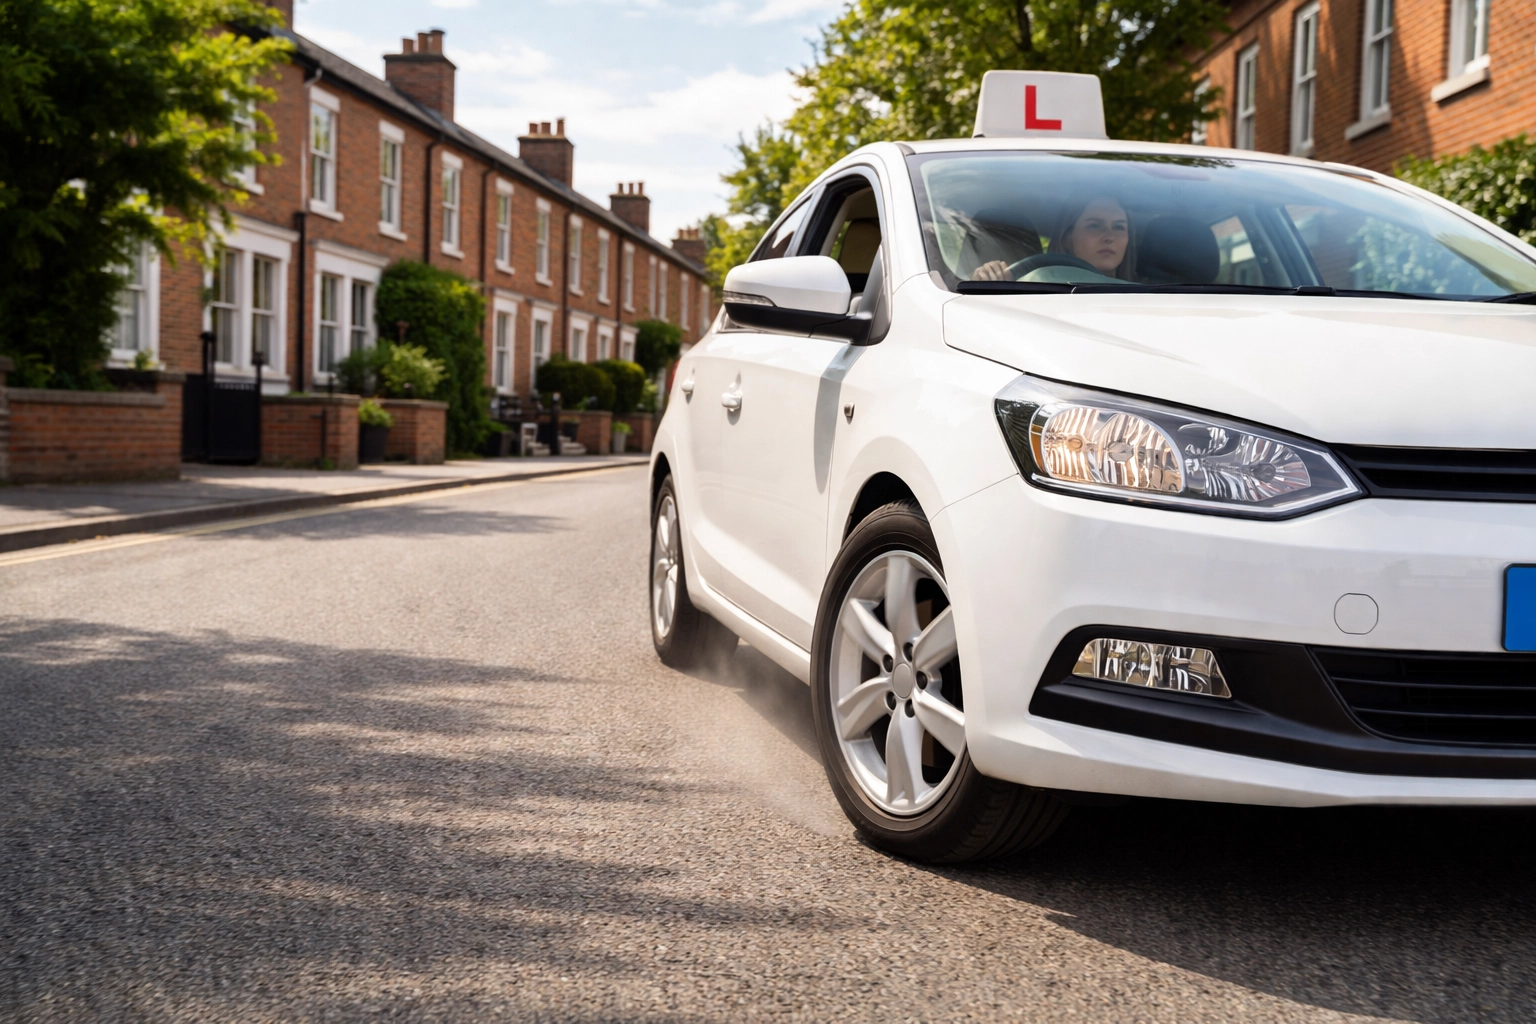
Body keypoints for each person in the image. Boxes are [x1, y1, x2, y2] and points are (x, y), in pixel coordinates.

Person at [972, 196, 1133, 281]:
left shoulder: (1154, 294)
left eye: (1118, 227)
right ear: (1066, 238)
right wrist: (990, 280)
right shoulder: (1026, 290)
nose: (1109, 236)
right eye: (1094, 225)